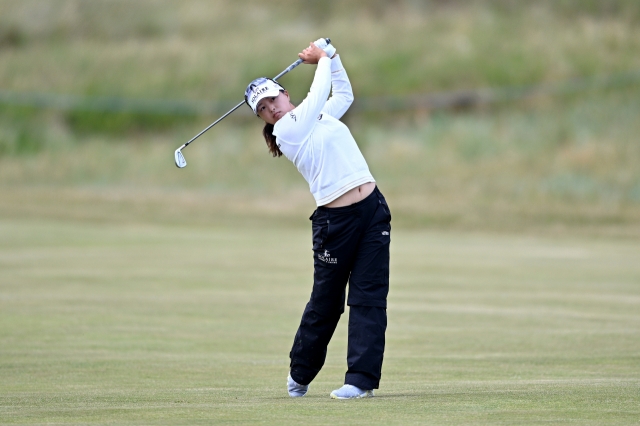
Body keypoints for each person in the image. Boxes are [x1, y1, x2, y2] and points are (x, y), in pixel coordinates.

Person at [244, 40, 391, 400]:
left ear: (284, 93)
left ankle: (360, 381)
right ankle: (300, 374)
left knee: (369, 297)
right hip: (334, 224)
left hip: (372, 211)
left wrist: (334, 57)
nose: (271, 109)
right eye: (262, 109)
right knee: (326, 302)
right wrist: (322, 58)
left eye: (272, 100)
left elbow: (342, 93)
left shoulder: (321, 117)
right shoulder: (287, 130)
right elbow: (320, 89)